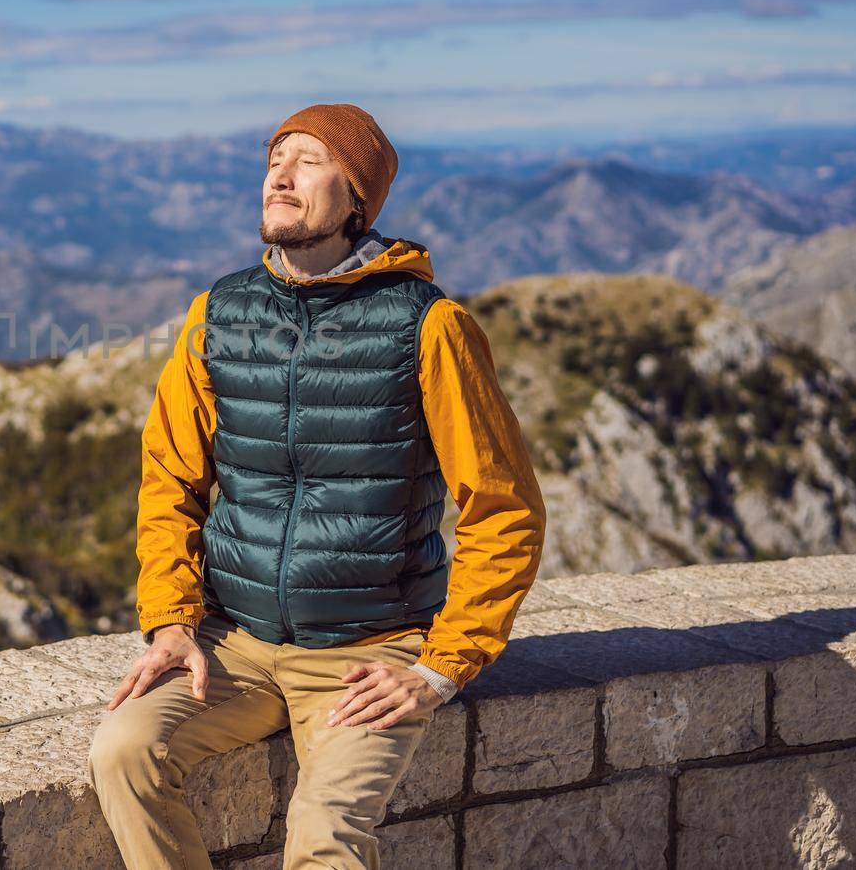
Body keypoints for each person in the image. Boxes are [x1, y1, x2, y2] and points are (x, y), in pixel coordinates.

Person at [88, 102, 547, 869]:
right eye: (275, 158)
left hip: (369, 651)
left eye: (308, 159)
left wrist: (441, 665)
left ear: (357, 198)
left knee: (325, 837)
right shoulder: (217, 313)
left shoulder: (430, 327)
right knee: (123, 752)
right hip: (230, 641)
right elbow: (170, 476)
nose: (280, 172)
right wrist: (170, 618)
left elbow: (504, 507)